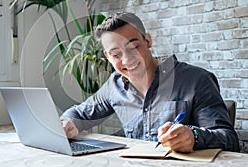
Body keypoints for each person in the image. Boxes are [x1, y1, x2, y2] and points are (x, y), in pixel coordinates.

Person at [60, 12, 240, 153]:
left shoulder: (196, 80)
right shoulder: (113, 85)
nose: (128, 59)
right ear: (107, 56)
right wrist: (68, 123)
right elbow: (78, 113)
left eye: (134, 47)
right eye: (116, 54)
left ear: (148, 40)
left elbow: (229, 139)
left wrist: (194, 136)